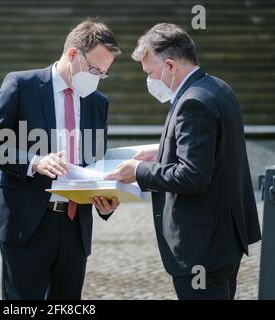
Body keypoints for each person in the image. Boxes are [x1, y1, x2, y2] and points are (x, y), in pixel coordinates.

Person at [106, 23, 261, 300]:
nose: (149, 80)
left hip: (201, 247)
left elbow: (193, 176)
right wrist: (163, 153)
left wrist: (139, 171)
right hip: (223, 239)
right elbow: (214, 152)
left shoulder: (193, 103)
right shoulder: (217, 87)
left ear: (169, 65)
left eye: (150, 72)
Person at [0, 19, 121, 299]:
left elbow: (95, 162)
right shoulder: (21, 84)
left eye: (103, 73)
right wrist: (34, 162)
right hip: (26, 223)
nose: (96, 77)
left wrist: (107, 198)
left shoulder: (97, 101)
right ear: (72, 55)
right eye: (93, 69)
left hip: (74, 225)